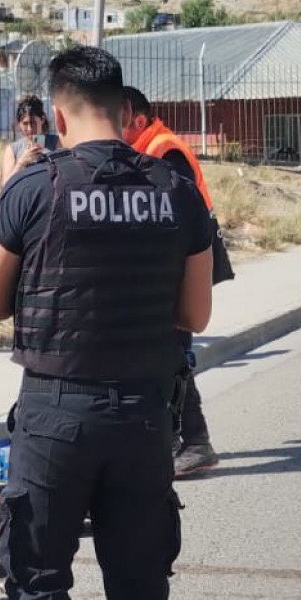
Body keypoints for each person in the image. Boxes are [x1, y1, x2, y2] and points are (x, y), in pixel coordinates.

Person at [0, 46, 214, 600]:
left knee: (39, 580)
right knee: (139, 588)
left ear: (62, 110)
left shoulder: (33, 188)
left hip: (55, 415)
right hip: (144, 414)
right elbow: (196, 314)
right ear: (125, 109)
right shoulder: (176, 190)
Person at [121, 86, 219, 477]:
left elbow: (176, 213)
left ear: (138, 119)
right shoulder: (148, 147)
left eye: (122, 122)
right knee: (167, 354)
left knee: (173, 355)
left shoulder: (163, 148)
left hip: (178, 266)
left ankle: (195, 442)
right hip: (171, 265)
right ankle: (178, 440)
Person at [0, 94, 58, 182]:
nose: (29, 129)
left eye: (33, 123)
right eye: (25, 124)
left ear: (42, 119)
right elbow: (6, 185)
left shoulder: (57, 143)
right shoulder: (13, 150)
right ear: (19, 123)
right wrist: (22, 163)